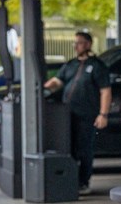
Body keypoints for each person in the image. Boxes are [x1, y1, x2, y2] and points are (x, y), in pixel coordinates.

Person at [43, 31, 111, 195]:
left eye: (79, 43)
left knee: (85, 149)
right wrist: (41, 86)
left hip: (87, 115)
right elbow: (57, 82)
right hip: (67, 115)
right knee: (70, 147)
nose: (76, 46)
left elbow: (105, 91)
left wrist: (103, 114)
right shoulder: (70, 64)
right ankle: (71, 180)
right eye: (75, 43)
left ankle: (83, 182)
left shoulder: (97, 66)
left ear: (88, 44)